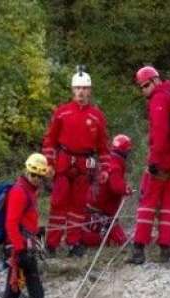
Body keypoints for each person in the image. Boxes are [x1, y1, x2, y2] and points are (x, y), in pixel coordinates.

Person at [41, 68, 110, 257]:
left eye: (84, 88)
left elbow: (103, 147)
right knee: (58, 203)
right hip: (64, 161)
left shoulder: (97, 116)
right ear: (72, 90)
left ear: (90, 90)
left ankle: (73, 242)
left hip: (85, 163)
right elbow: (50, 140)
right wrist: (49, 162)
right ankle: (51, 244)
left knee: (79, 206)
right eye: (77, 88)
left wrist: (105, 168)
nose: (81, 92)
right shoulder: (62, 113)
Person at [128, 66, 170, 264]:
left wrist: (153, 161)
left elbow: (160, 133)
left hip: (163, 160)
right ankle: (166, 249)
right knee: (169, 207)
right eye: (141, 87)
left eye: (146, 85)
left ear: (155, 81)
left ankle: (139, 250)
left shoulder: (158, 98)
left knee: (147, 204)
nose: (144, 90)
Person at [2, 153, 55, 298]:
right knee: (31, 293)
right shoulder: (19, 191)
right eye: (34, 175)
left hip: (23, 247)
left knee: (15, 294)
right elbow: (11, 223)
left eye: (39, 176)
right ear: (27, 171)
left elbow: (25, 220)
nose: (36, 179)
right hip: (19, 251)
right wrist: (20, 248)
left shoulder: (29, 190)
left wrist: (35, 231)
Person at [81, 134, 133, 247]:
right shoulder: (115, 166)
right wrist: (126, 189)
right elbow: (116, 187)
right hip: (100, 213)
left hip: (91, 209)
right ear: (125, 152)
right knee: (120, 241)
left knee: (93, 233)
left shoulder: (106, 161)